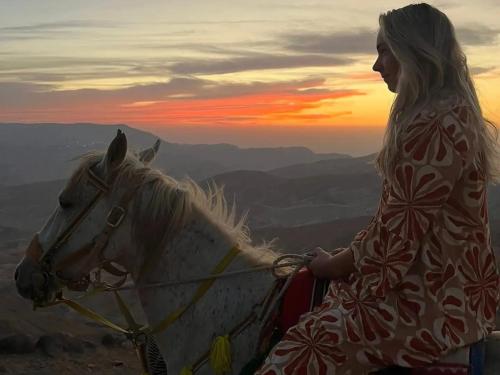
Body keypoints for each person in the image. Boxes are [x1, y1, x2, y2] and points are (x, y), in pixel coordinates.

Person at [256, 3, 499, 374]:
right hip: (450, 291)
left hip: (429, 306)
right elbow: (397, 223)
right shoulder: (447, 111)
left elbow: (394, 241)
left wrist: (329, 265)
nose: (376, 65)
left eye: (384, 50)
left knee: (291, 358)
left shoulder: (433, 125)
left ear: (413, 50)